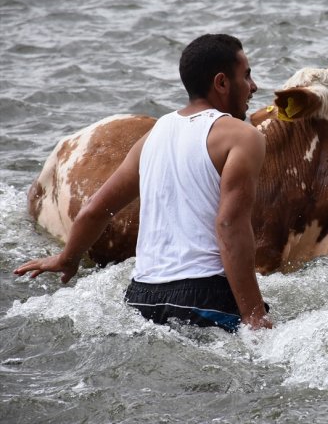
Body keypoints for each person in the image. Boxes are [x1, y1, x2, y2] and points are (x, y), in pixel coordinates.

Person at [14, 34, 272, 332]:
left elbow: (95, 211)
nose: (254, 87)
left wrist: (67, 258)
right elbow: (230, 225)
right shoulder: (243, 136)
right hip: (206, 295)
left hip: (141, 297)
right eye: (247, 76)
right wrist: (254, 314)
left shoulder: (154, 135)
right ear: (222, 83)